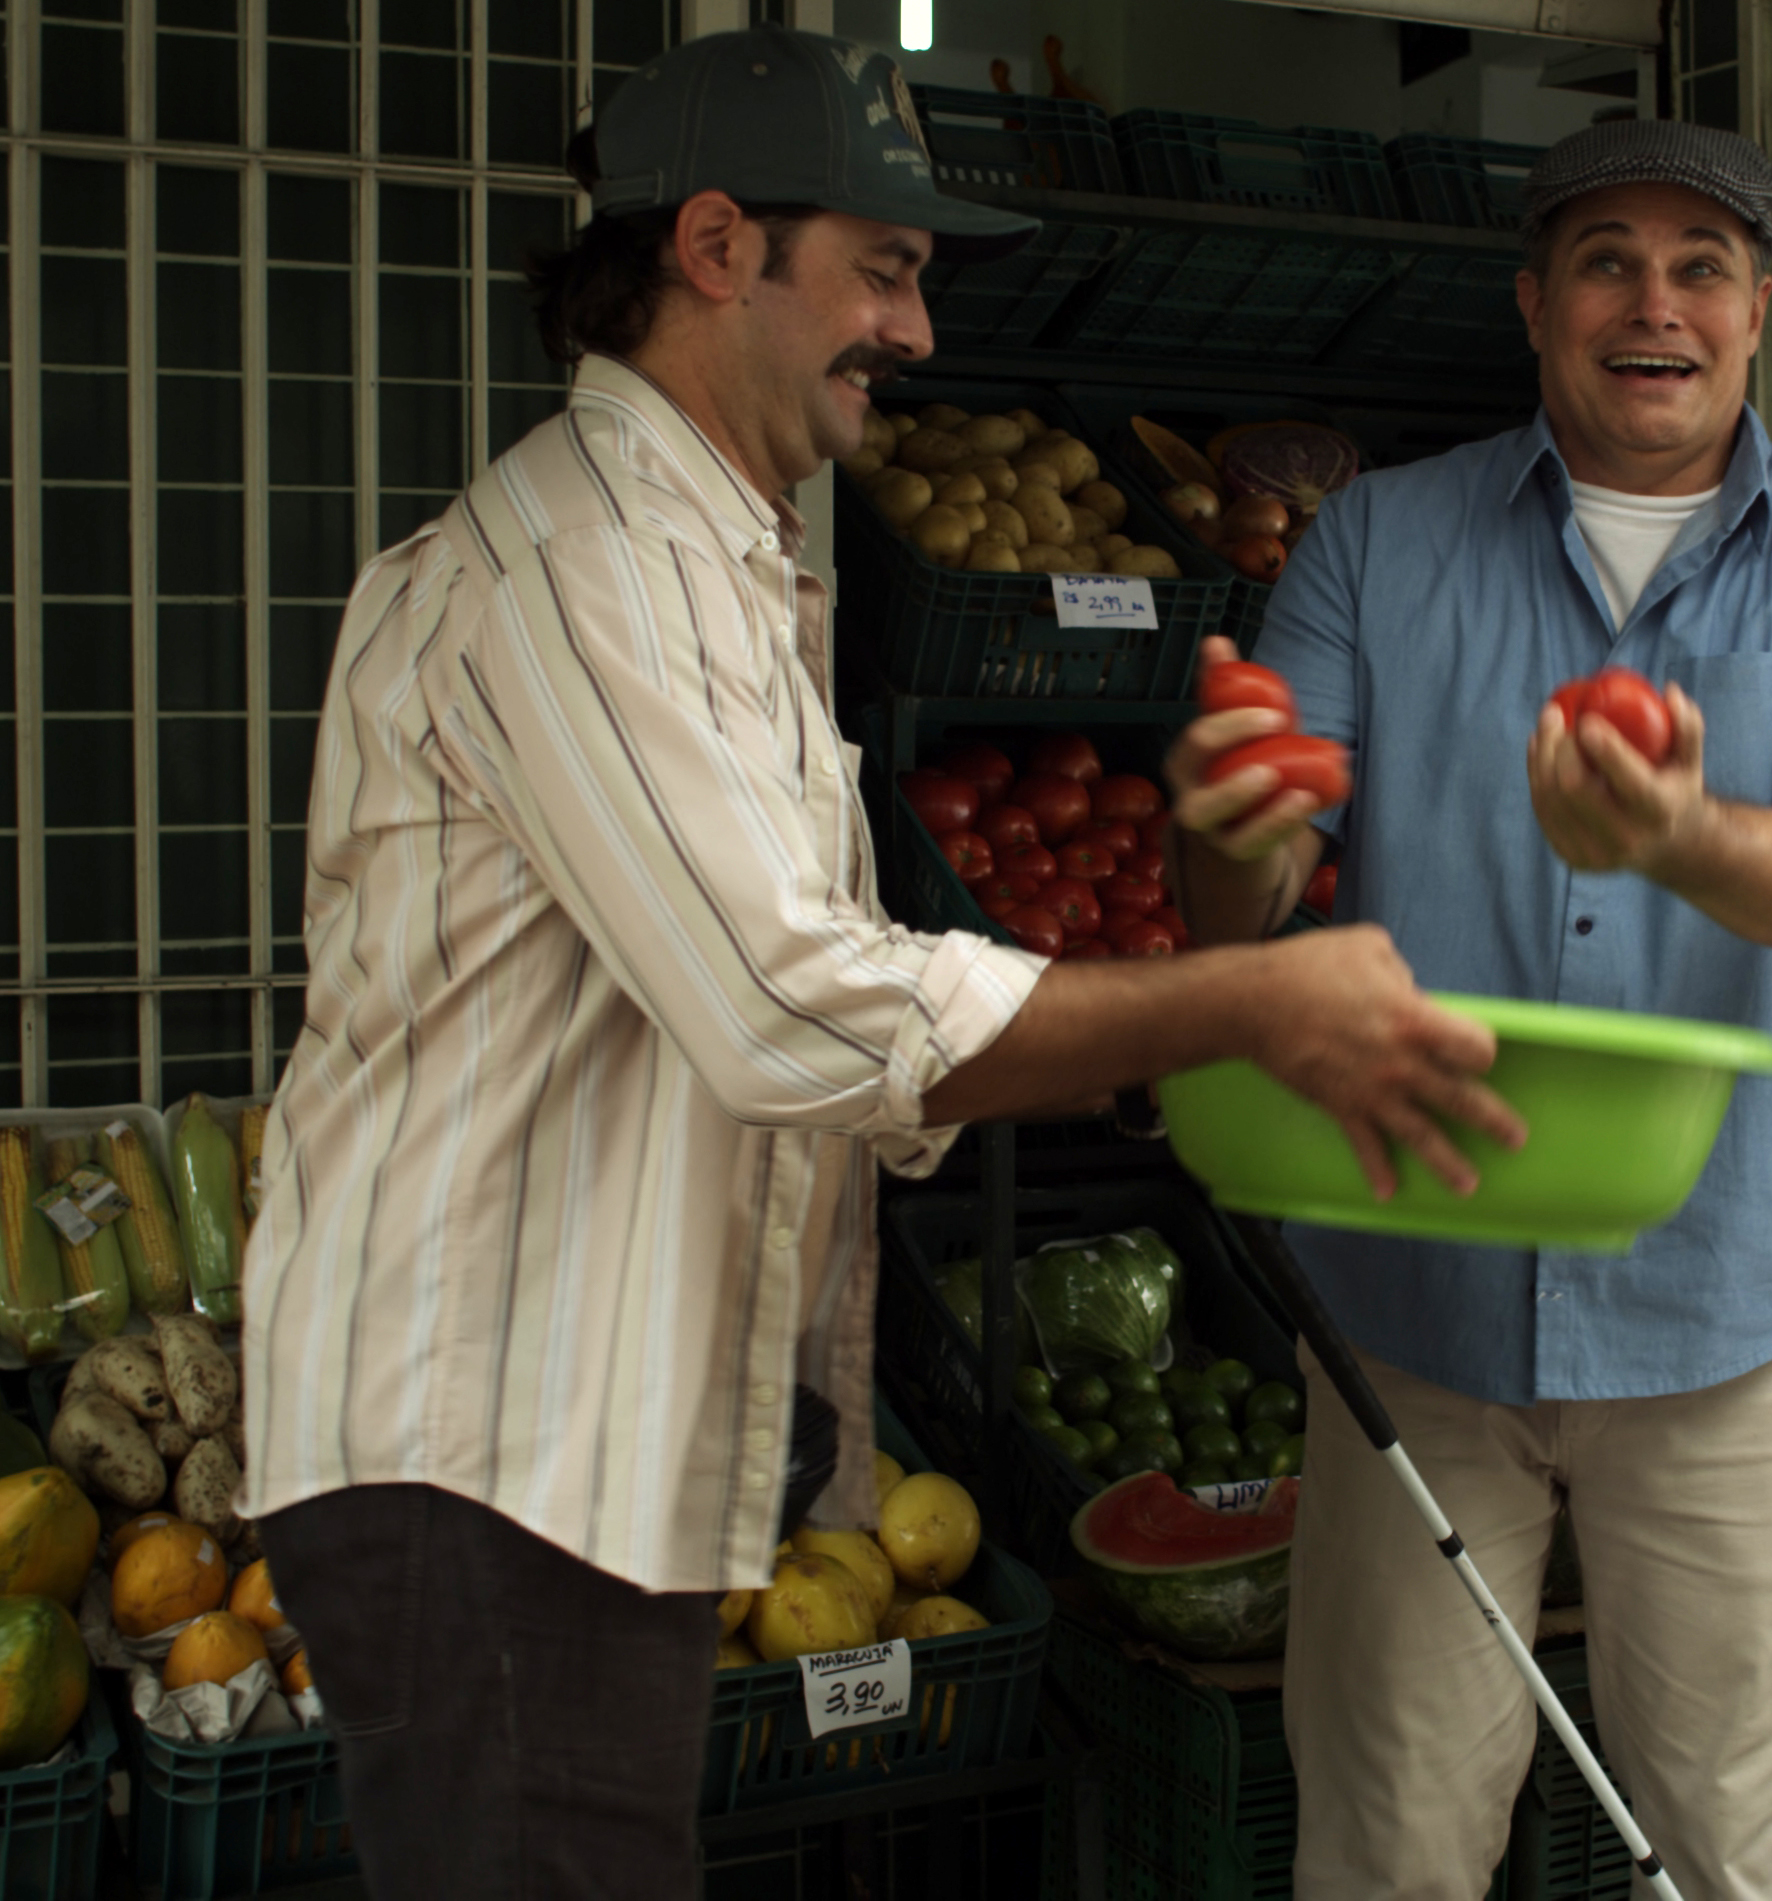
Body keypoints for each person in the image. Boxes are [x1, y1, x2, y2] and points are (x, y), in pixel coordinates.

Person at [234, 28, 1518, 1899]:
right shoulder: (584, 568)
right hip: (488, 1450)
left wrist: (1139, 1046)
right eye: (884, 270)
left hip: (566, 1440)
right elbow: (790, 1012)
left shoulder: (715, 565)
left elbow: (811, 996)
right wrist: (1240, 1000)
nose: (914, 332)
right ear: (716, 247)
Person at [1161, 119, 1772, 1898]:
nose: (1653, 303)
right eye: (1607, 261)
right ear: (1537, 304)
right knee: (1386, 1847)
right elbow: (1250, 896)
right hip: (1413, 1308)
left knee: (1733, 1852)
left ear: (1756, 310)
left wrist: (1680, 833)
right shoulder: (1379, 536)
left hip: (1718, 1314)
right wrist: (1223, 822)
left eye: (1701, 267)